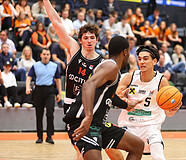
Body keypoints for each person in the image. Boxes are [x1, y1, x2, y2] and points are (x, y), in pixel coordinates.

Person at [43, 1, 140, 159]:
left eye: (92, 37)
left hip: (93, 112)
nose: (89, 40)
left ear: (96, 40)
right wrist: (46, 2)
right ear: (80, 40)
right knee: (83, 151)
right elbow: (57, 22)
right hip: (73, 110)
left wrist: (126, 104)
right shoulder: (74, 50)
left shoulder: (103, 64)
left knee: (110, 151)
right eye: (85, 37)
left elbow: (108, 96)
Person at [117, 45, 181, 160]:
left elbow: (168, 113)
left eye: (145, 59)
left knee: (159, 156)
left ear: (154, 61)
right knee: (107, 144)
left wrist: (174, 109)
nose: (141, 62)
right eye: (140, 59)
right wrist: (121, 98)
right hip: (128, 125)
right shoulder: (130, 77)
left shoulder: (162, 81)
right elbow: (117, 96)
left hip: (151, 126)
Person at [25, 48, 62, 144]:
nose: (46, 56)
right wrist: (27, 87)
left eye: (48, 54)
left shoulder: (54, 66)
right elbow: (29, 77)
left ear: (50, 56)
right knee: (39, 114)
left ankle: (49, 136)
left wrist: (59, 93)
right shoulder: (36, 65)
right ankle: (39, 136)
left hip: (50, 91)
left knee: (50, 113)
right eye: (44, 54)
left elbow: (58, 80)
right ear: (41, 55)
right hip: (38, 90)